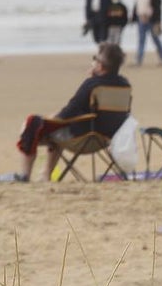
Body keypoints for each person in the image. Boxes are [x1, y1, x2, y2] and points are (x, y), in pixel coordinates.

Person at [7, 42, 130, 182]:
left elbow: (69, 112)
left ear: (100, 66)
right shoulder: (125, 85)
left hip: (82, 138)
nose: (93, 62)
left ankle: (25, 175)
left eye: (95, 59)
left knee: (32, 122)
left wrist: (52, 117)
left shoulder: (92, 84)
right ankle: (45, 175)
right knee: (56, 128)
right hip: (107, 139)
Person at [131, 0, 162, 67]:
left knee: (155, 39)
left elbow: (158, 7)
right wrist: (133, 17)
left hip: (151, 19)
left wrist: (158, 21)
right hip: (140, 18)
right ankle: (139, 60)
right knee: (141, 40)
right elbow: (136, 5)